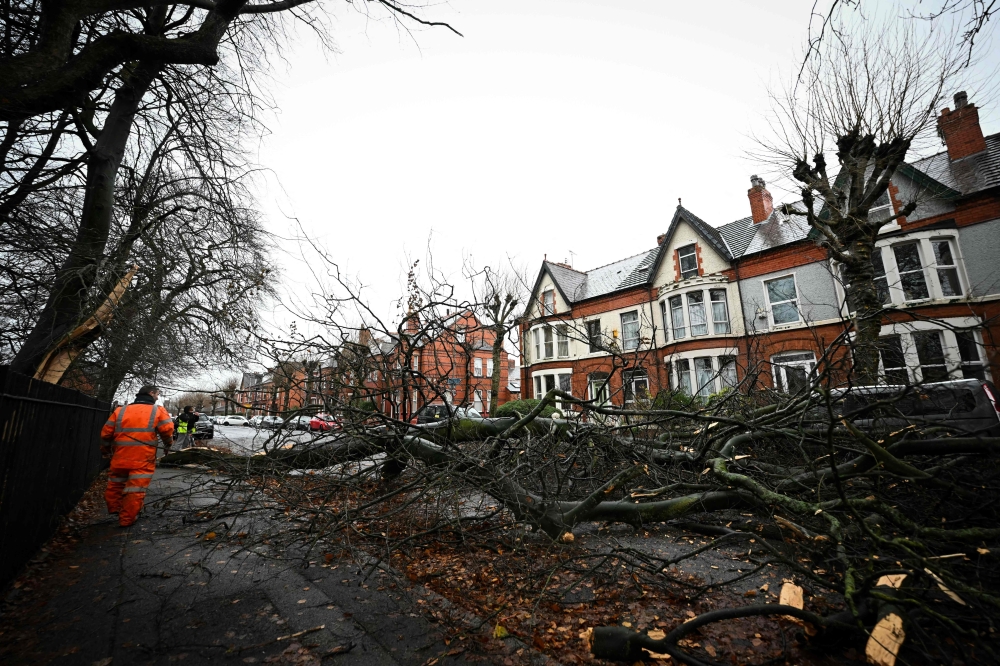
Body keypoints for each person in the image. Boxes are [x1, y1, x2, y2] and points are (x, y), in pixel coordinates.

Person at [100, 385, 174, 527]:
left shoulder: (120, 410)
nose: (158, 397)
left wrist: (105, 451)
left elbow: (106, 434)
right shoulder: (157, 410)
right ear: (151, 393)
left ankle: (115, 508)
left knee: (116, 483)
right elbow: (167, 430)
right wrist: (167, 445)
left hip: (120, 456)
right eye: (157, 394)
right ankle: (126, 519)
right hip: (142, 457)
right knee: (135, 489)